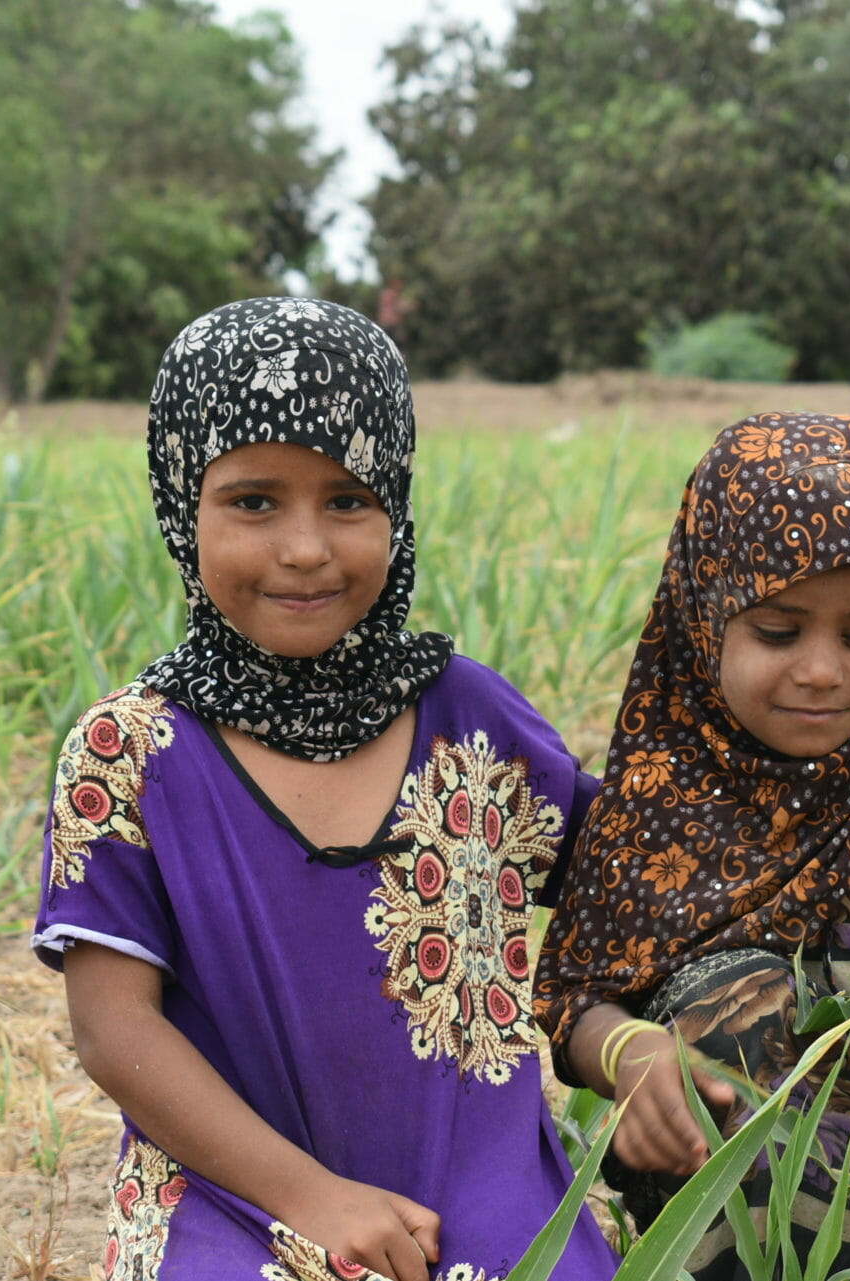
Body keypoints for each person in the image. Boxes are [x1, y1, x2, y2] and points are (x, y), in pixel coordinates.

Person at [30, 298, 618, 1280]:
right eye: (255, 502)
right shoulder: (124, 756)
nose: (305, 547)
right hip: (233, 1191)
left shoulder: (470, 716)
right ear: (182, 505)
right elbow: (113, 1028)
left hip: (476, 1175)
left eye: (348, 500)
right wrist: (311, 1201)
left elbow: (643, 859)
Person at [534, 411, 850, 1278]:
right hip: (737, 1171)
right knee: (731, 999)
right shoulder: (665, 786)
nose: (820, 670)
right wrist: (629, 1053)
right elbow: (577, 997)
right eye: (777, 632)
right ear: (705, 615)